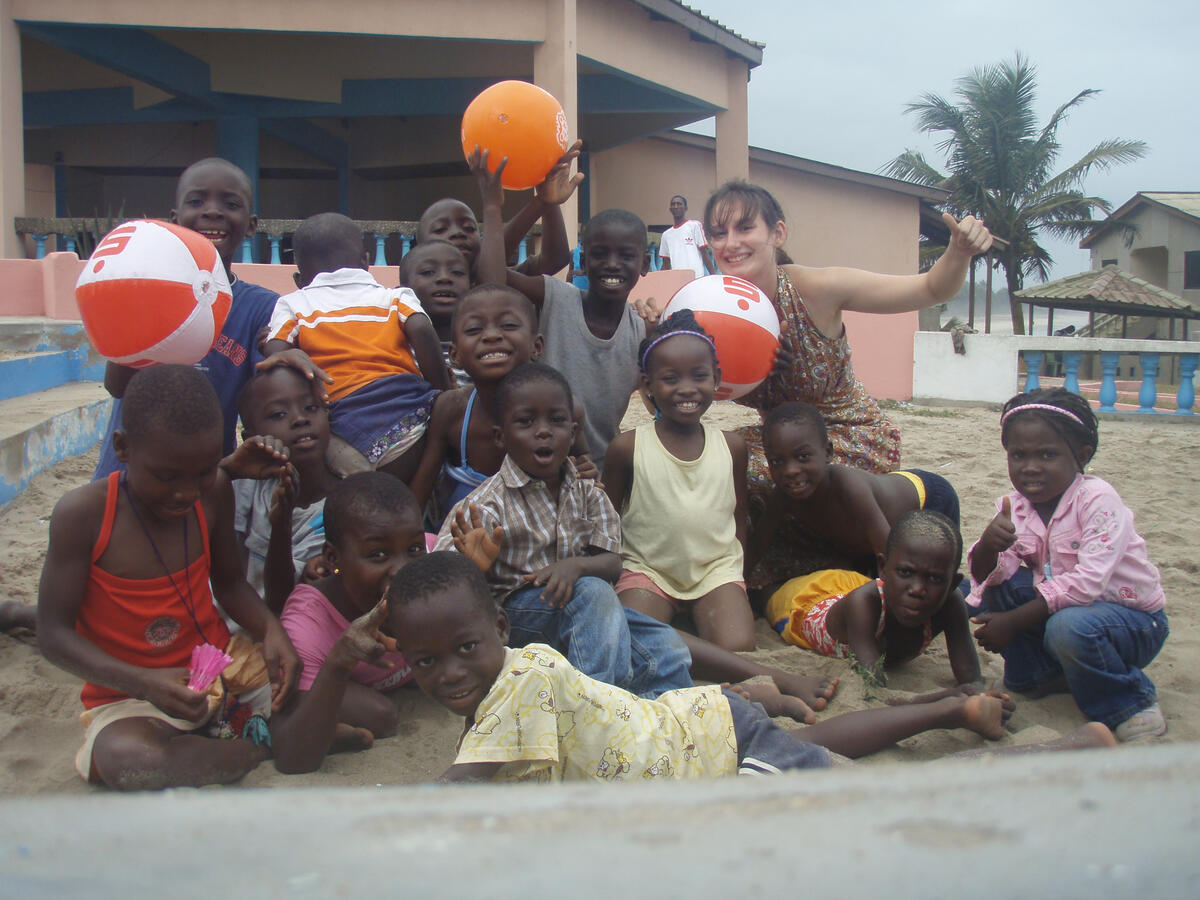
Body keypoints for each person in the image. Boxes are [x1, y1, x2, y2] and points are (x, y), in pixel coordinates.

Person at [383, 552, 1066, 784]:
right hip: (702, 726)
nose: (447, 673)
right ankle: (955, 712)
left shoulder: (521, 686)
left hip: (715, 753)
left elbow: (456, 790)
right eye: (424, 661)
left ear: (501, 628)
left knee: (866, 800)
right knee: (808, 749)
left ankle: (1063, 757)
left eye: (465, 649)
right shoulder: (510, 677)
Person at [36, 365, 348, 789]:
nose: (185, 493)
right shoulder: (85, 516)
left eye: (202, 472)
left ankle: (235, 736)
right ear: (123, 448)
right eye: (166, 477)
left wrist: (272, 630)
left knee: (358, 712)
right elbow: (53, 635)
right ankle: (254, 746)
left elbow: (230, 583)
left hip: (224, 663)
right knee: (125, 757)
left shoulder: (214, 489)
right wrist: (144, 682)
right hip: (130, 693)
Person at [700, 181, 991, 593]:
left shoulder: (815, 290)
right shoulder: (708, 308)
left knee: (753, 474)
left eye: (745, 228)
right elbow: (673, 398)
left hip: (845, 434)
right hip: (780, 443)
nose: (730, 243)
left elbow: (929, 289)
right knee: (709, 460)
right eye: (718, 233)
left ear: (776, 234)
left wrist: (959, 252)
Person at [433, 362, 691, 699]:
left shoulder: (586, 490)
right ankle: (596, 708)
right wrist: (472, 568)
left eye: (556, 421)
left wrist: (577, 565)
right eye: (526, 422)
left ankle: (664, 715)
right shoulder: (485, 506)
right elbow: (440, 586)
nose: (543, 432)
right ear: (501, 436)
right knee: (592, 594)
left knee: (664, 642)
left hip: (582, 614)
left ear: (572, 432)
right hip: (514, 618)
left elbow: (612, 563)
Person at [92, 157, 321, 480]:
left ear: (252, 224)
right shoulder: (148, 289)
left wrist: (281, 353)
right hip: (129, 473)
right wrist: (143, 307)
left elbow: (267, 398)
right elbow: (116, 385)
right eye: (196, 201)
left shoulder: (261, 308)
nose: (212, 211)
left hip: (207, 477)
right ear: (174, 220)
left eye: (230, 203)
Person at [969, 389, 1169, 742]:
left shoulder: (1098, 500)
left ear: (1081, 456)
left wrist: (1012, 622)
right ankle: (1036, 675)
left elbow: (1087, 583)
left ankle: (1130, 702)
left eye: (1047, 455)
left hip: (1131, 622)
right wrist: (988, 545)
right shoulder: (1014, 507)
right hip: (1066, 612)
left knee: (1068, 627)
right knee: (995, 590)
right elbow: (989, 578)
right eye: (1019, 455)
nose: (1030, 467)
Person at [263, 213, 450, 484]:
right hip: (409, 415)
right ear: (366, 261)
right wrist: (441, 392)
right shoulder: (395, 297)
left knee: (366, 500)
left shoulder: (294, 303)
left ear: (298, 277)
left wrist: (293, 353)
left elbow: (275, 352)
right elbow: (421, 329)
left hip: (341, 428)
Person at [604, 310, 751, 650]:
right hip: (648, 571)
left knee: (738, 644)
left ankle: (699, 620)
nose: (687, 389)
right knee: (635, 641)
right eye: (670, 379)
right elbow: (607, 521)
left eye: (698, 376)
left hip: (715, 570)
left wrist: (737, 576)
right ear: (647, 385)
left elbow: (739, 516)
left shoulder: (732, 446)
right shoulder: (627, 447)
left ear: (716, 377)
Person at [408, 284, 593, 529]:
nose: (492, 336)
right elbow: (420, 495)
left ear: (537, 346)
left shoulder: (564, 411)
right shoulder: (452, 411)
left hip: (540, 547)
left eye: (508, 326)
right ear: (455, 355)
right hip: (466, 548)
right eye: (475, 329)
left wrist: (586, 470)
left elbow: (584, 463)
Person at [268, 473, 424, 765]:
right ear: (333, 558)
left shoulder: (431, 570)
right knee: (381, 715)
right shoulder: (309, 620)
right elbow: (291, 755)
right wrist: (340, 661)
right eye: (378, 554)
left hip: (376, 691)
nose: (402, 569)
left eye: (414, 549)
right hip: (347, 687)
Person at [751, 401, 962, 589]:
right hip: (870, 544)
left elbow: (890, 552)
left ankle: (969, 597)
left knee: (934, 580)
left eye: (803, 456)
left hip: (929, 499)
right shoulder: (782, 496)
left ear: (828, 453)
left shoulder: (848, 486)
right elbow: (757, 548)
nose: (790, 470)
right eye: (777, 461)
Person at [506, 209, 652, 473]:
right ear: (583, 262)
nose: (612, 263)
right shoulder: (555, 298)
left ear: (645, 263)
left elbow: (658, 403)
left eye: (627, 256)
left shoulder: (643, 330)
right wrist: (544, 205)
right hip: (535, 465)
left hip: (596, 472)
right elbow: (492, 274)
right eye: (600, 254)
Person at [767, 511, 982, 688]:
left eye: (935, 578)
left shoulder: (951, 602)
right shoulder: (862, 605)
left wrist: (979, 694)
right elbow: (872, 678)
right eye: (906, 572)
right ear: (883, 568)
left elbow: (970, 675)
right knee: (763, 596)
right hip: (808, 603)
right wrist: (946, 699)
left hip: (854, 587)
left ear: (953, 583)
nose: (918, 589)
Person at [230, 366, 340, 612]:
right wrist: (228, 471)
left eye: (311, 408)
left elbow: (282, 602)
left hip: (288, 631)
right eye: (278, 414)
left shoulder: (341, 508)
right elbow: (224, 571)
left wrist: (281, 525)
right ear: (251, 436)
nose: (300, 419)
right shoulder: (245, 484)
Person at [415, 141, 584, 284]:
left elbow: (554, 260)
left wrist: (544, 201)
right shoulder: (412, 296)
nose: (457, 233)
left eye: (468, 228)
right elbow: (489, 283)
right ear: (419, 248)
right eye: (440, 229)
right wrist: (492, 207)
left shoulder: (503, 275)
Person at [399, 240, 472, 386]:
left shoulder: (480, 347)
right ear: (403, 289)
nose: (444, 278)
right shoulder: (397, 350)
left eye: (457, 272)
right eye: (428, 272)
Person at [658, 194, 714, 278]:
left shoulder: (694, 226)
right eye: (673, 204)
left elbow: (705, 254)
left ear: (686, 208)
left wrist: (714, 276)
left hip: (696, 278)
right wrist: (658, 280)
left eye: (679, 204)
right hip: (677, 280)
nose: (676, 206)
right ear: (670, 209)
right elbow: (665, 264)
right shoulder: (666, 235)